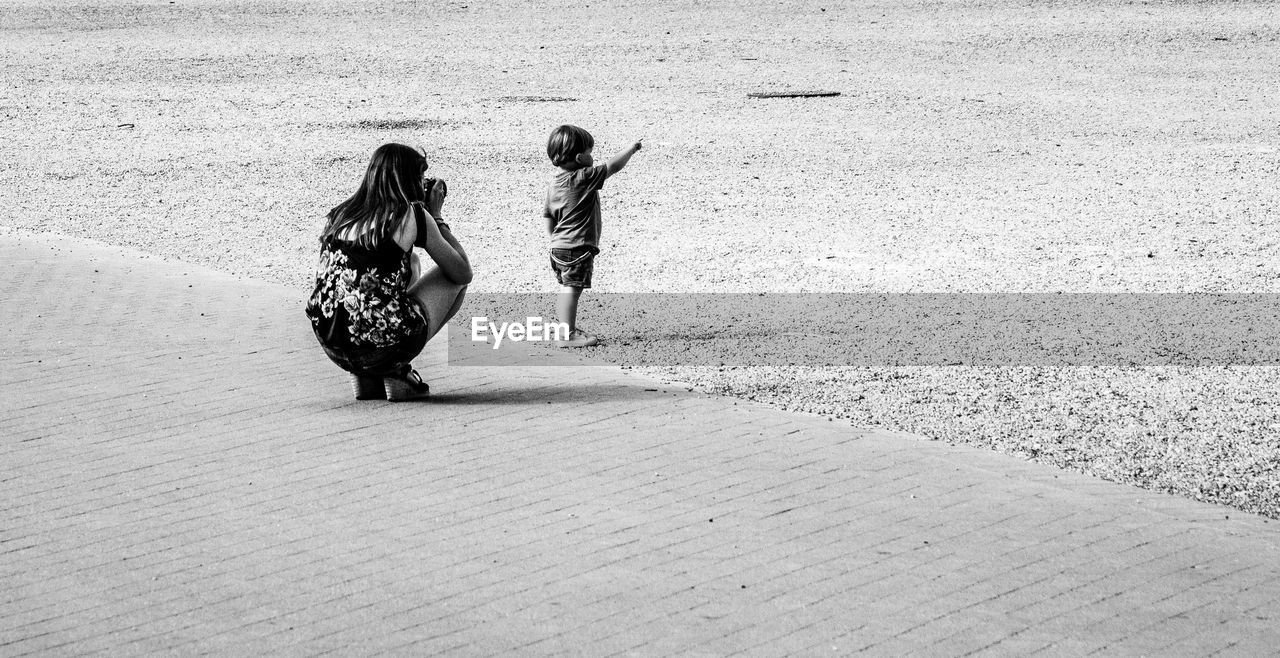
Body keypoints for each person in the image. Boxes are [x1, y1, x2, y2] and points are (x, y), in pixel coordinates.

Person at [305, 143, 471, 401]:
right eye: (420, 177)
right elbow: (461, 271)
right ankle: (396, 369)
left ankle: (366, 377)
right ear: (407, 180)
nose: (423, 184)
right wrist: (436, 216)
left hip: (334, 345)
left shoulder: (340, 215)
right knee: (454, 282)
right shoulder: (411, 214)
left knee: (411, 261)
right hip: (380, 346)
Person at [543, 125, 641, 347]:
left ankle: (565, 328)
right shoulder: (584, 177)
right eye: (589, 152)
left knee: (566, 287)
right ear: (579, 157)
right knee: (572, 289)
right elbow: (613, 166)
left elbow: (548, 215)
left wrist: (554, 239)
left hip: (558, 248)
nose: (592, 156)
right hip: (577, 248)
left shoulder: (554, 184)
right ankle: (567, 336)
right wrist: (631, 148)